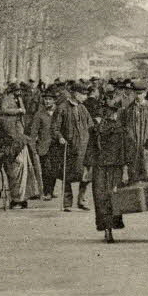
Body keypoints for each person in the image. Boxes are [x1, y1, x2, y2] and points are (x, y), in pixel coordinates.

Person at [85, 86, 127, 243]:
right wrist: (127, 169)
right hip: (115, 167)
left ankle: (106, 228)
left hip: (100, 167)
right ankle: (111, 226)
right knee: (114, 196)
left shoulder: (96, 130)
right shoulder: (121, 130)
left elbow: (90, 150)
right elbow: (126, 151)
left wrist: (87, 168)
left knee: (101, 197)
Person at [52, 82, 92, 211]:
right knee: (67, 176)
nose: (85, 97)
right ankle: (67, 203)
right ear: (75, 94)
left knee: (85, 175)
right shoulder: (62, 108)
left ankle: (82, 200)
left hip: (84, 147)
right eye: (83, 94)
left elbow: (90, 125)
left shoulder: (83, 108)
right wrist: (60, 137)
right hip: (69, 148)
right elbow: (55, 128)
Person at [29, 94, 58, 200]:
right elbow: (34, 131)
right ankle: (47, 191)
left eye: (50, 99)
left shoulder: (58, 113)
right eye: (46, 99)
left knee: (54, 169)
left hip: (56, 145)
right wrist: (33, 146)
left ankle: (51, 191)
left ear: (54, 100)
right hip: (43, 146)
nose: (47, 101)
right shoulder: (39, 114)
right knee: (46, 169)